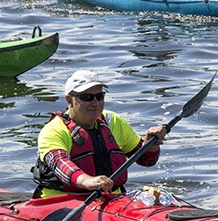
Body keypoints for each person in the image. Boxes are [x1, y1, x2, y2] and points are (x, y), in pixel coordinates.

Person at [33, 70, 168, 198]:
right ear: (69, 100)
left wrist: (150, 146)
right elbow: (60, 164)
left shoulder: (112, 121)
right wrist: (87, 181)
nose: (95, 103)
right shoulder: (54, 130)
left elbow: (147, 160)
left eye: (99, 96)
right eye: (87, 97)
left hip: (112, 200)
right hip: (63, 201)